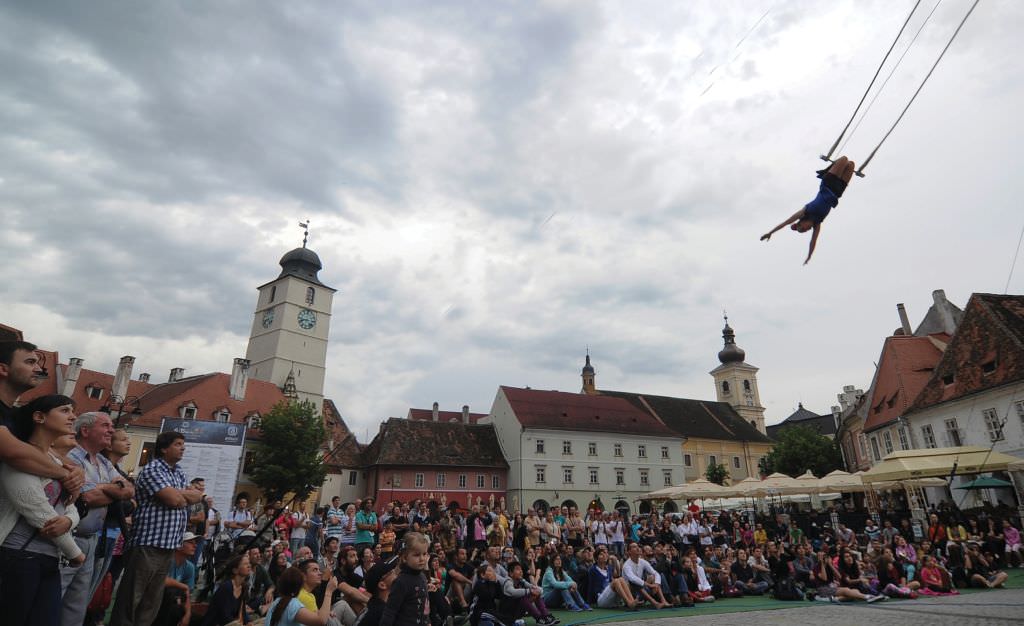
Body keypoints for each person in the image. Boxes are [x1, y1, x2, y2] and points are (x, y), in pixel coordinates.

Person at [0, 395, 87, 626]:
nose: (73, 416)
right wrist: (74, 552)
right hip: (18, 554)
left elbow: (72, 506)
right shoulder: (21, 456)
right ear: (39, 417)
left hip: (49, 558)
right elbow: (35, 509)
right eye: (65, 410)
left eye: (73, 411)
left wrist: (69, 521)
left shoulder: (59, 464)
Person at [109, 431, 203, 626]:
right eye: (178, 444)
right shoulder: (153, 469)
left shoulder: (179, 472)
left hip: (169, 544)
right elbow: (174, 499)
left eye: (183, 444)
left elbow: (195, 497)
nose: (182, 448)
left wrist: (182, 495)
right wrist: (182, 495)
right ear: (163, 448)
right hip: (148, 542)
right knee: (132, 597)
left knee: (151, 600)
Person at [60, 411, 134, 626]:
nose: (111, 430)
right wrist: (114, 489)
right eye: (106, 426)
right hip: (71, 538)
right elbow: (86, 497)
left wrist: (105, 489)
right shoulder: (72, 456)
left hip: (93, 539)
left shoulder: (102, 461)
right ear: (85, 430)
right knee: (59, 594)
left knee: (78, 602)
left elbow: (129, 490)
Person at [0, 342, 85, 507]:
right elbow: (13, 452)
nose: (38, 369)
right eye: (30, 362)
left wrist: (75, 469)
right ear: (3, 369)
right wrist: (65, 474)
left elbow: (44, 453)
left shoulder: (14, 415)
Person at [759, 156, 856, 264]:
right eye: (806, 231)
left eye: (803, 229)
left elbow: (785, 223)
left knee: (844, 159)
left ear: (801, 223)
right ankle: (833, 168)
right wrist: (809, 256)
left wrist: (770, 233)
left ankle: (827, 170)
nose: (807, 230)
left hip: (828, 184)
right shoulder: (817, 223)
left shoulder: (804, 212)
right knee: (851, 164)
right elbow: (813, 241)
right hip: (838, 191)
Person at [380, 531, 431, 626]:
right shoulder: (401, 582)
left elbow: (424, 606)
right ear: (404, 557)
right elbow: (390, 612)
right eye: (416, 555)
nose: (422, 559)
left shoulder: (422, 577)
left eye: (424, 554)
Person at [153, 531, 200, 626]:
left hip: (172, 604)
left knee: (199, 620)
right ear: (178, 546)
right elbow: (160, 580)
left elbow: (187, 595)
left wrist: (187, 615)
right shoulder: (167, 561)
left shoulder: (190, 567)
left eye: (195, 543)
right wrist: (183, 586)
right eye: (191, 542)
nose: (195, 546)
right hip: (155, 602)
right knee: (171, 593)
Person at [267, 566, 339, 626]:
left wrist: (326, 612)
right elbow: (321, 621)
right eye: (315, 570)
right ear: (301, 583)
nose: (320, 573)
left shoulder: (276, 601)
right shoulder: (292, 603)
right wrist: (328, 592)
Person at [500, 561, 558, 625]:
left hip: (517, 611)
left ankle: (546, 616)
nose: (521, 571)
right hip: (507, 614)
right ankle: (538, 618)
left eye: (521, 569)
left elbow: (533, 587)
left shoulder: (521, 581)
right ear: (511, 573)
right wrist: (529, 591)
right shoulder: (508, 581)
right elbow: (512, 592)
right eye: (517, 569)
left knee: (535, 594)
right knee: (523, 597)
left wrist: (538, 591)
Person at [202, 553, 252, 625]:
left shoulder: (243, 587)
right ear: (235, 570)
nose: (249, 566)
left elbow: (242, 610)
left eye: (249, 563)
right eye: (245, 564)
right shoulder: (227, 587)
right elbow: (225, 616)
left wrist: (248, 621)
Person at [621, 542, 671, 608]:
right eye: (634, 547)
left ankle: (664, 601)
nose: (638, 548)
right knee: (635, 583)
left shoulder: (643, 561)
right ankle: (655, 603)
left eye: (637, 546)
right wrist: (650, 585)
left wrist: (657, 584)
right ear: (629, 552)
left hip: (642, 591)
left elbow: (655, 573)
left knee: (653, 577)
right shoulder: (626, 565)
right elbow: (632, 579)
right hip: (631, 594)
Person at [359, 556, 400, 626]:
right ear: (382, 585)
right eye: (391, 572)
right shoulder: (382, 612)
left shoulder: (374, 605)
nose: (394, 572)